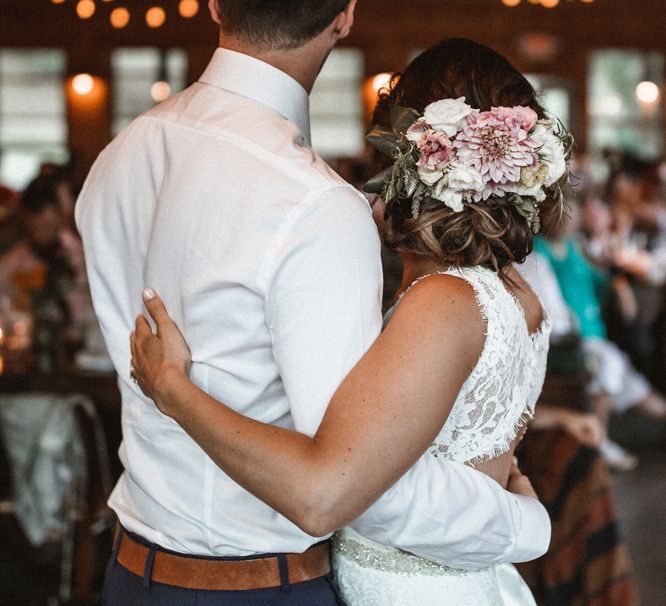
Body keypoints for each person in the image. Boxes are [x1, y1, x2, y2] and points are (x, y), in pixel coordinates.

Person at [125, 38, 569, 605]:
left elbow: (322, 493)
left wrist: (173, 391)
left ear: (404, 159)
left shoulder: (445, 302)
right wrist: (520, 520)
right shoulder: (516, 293)